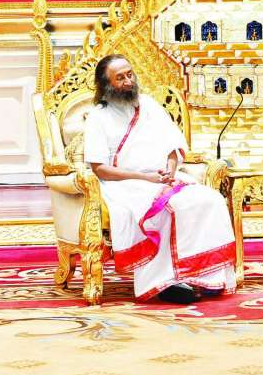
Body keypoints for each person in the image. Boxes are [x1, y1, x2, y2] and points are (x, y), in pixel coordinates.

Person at [83, 54, 236, 303]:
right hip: (124, 183)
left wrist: (170, 170)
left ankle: (205, 276)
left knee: (211, 200)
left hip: (163, 178)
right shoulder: (98, 117)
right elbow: (100, 169)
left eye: (130, 74)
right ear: (106, 84)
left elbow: (172, 146)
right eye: (120, 78)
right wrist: (145, 178)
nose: (128, 81)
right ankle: (163, 282)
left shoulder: (149, 106)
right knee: (167, 209)